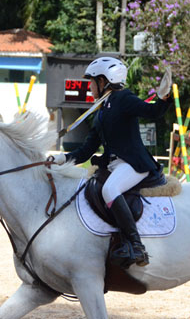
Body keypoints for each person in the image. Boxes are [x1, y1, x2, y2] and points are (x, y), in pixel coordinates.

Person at [51, 57, 172, 267]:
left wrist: (163, 98)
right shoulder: (101, 110)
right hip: (115, 164)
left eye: (92, 82)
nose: (89, 87)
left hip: (134, 164)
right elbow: (86, 151)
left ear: (105, 81)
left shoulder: (124, 98)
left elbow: (151, 111)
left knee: (110, 190)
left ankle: (136, 246)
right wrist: (60, 158)